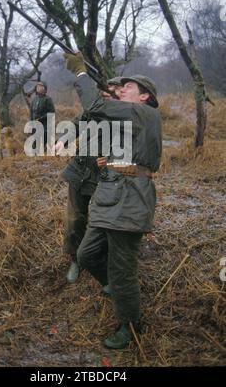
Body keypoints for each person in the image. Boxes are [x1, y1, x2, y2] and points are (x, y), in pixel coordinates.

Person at [64, 52, 162, 349]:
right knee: (86, 255)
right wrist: (115, 162)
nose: (121, 90)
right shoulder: (131, 118)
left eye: (127, 88)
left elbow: (95, 105)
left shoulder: (142, 112)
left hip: (130, 199)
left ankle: (130, 327)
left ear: (144, 96)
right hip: (113, 193)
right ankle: (116, 288)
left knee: (123, 270)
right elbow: (96, 118)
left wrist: (81, 72)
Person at [55, 78, 123, 284]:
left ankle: (104, 258)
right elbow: (78, 123)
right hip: (80, 169)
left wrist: (111, 161)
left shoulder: (124, 114)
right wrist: (63, 139)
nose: (104, 93)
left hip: (105, 175)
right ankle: (76, 259)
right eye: (103, 90)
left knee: (105, 220)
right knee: (75, 219)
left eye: (109, 91)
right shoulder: (93, 110)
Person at [30, 81, 55, 150]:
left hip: (45, 126)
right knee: (34, 144)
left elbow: (51, 113)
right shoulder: (34, 99)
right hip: (35, 126)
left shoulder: (48, 99)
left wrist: (40, 119)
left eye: (40, 86)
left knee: (42, 144)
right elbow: (31, 113)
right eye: (37, 86)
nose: (38, 87)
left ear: (44, 88)